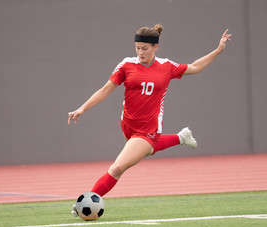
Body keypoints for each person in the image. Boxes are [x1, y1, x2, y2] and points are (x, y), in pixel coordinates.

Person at [68, 24, 231, 209]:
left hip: (148, 130)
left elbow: (194, 67)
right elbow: (106, 89)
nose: (140, 52)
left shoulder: (166, 66)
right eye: (137, 48)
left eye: (145, 48)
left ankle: (85, 203)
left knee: (117, 168)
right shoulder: (126, 64)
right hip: (127, 126)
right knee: (146, 150)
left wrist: (218, 50)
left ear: (155, 47)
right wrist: (83, 108)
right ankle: (181, 137)